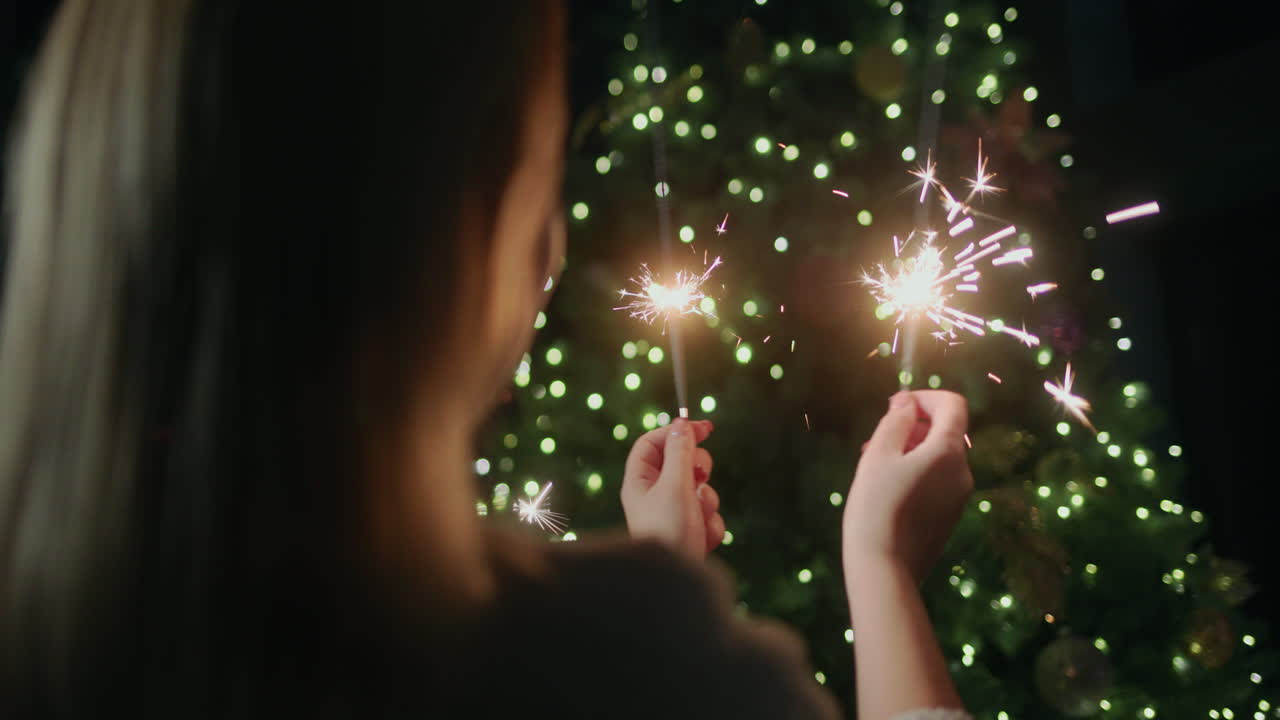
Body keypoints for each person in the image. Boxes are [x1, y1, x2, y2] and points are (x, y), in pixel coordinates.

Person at [0, 1, 974, 718]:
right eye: (538, 159)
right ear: (461, 224)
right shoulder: (605, 665)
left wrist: (651, 570)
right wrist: (879, 566)